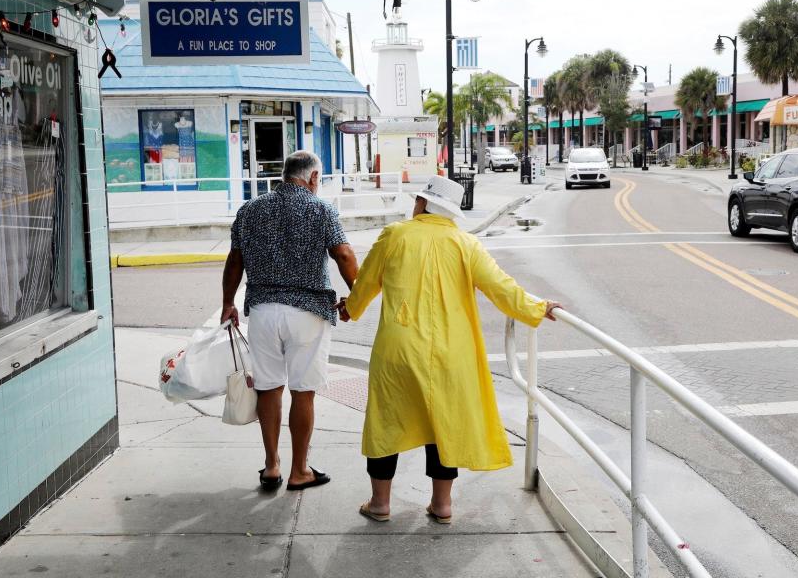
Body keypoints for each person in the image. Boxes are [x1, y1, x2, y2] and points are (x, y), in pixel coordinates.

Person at [337, 175, 562, 523]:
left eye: (417, 199)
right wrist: (537, 307)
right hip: (450, 353)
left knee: (386, 422)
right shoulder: (466, 244)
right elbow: (500, 287)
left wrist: (351, 310)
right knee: (443, 422)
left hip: (399, 349)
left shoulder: (395, 235)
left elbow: (366, 282)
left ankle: (380, 504)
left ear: (424, 204)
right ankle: (442, 505)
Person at [221, 151, 358, 491]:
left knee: (268, 388)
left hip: (264, 310)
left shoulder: (250, 210)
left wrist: (227, 303)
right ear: (312, 178)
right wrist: (357, 297)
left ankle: (271, 466)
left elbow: (234, 261)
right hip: (308, 311)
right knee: (303, 391)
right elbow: (343, 254)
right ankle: (300, 471)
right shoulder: (321, 209)